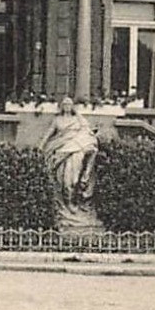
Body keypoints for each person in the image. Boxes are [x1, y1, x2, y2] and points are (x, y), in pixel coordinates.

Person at [41, 97, 100, 227]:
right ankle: (68, 205)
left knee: (74, 180)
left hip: (77, 152)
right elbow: (48, 134)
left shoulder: (77, 120)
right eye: (65, 104)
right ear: (61, 106)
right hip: (62, 152)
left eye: (69, 104)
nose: (67, 106)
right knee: (67, 182)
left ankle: (75, 203)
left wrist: (79, 115)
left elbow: (88, 132)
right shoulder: (57, 120)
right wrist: (41, 146)